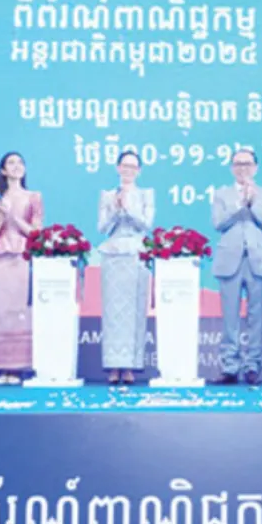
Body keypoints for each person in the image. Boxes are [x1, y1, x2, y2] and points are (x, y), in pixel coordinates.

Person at [210, 149, 262, 385]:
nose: (243, 168)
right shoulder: (221, 194)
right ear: (231, 168)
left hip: (257, 259)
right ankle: (229, 366)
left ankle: (253, 366)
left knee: (256, 316)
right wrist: (241, 204)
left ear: (255, 168)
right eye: (238, 164)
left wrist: (253, 202)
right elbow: (218, 223)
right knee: (230, 317)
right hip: (230, 260)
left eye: (247, 164)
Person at [0, 152, 42, 385]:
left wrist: (14, 218)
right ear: (3, 170)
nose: (16, 166)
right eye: (11, 163)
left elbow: (36, 233)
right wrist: (1, 215)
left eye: (20, 162)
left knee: (18, 310)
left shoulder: (34, 197)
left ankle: (18, 367)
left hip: (21, 257)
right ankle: (1, 366)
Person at [97, 150, 154, 385]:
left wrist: (128, 209)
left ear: (138, 171)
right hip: (112, 254)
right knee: (113, 313)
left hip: (136, 254)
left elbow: (146, 224)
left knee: (135, 311)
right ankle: (113, 366)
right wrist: (115, 209)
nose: (128, 170)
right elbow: (102, 228)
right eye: (125, 166)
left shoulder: (145, 195)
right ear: (118, 168)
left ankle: (130, 366)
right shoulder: (107, 195)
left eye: (133, 167)